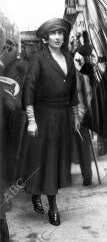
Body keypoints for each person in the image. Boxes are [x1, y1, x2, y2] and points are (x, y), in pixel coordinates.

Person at [21, 18, 79, 226]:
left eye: (60, 33)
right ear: (46, 38)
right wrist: (31, 120)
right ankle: (52, 206)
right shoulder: (38, 58)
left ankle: (37, 193)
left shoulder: (69, 57)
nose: (57, 37)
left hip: (63, 117)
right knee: (43, 160)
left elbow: (73, 89)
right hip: (43, 116)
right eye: (53, 33)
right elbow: (29, 89)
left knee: (56, 160)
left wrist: (76, 115)